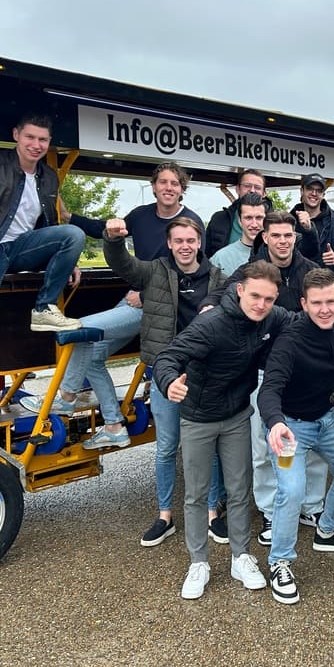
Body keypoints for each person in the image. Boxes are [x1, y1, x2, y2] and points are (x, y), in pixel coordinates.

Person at [21, 161, 205, 450]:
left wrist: (146, 296)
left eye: (175, 183)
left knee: (82, 329)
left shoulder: (190, 222)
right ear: (154, 186)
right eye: (163, 182)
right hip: (134, 299)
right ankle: (114, 426)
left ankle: (66, 397)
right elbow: (105, 230)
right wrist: (70, 217)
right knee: (91, 353)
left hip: (158, 308)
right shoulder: (141, 215)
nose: (168, 188)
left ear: (182, 189)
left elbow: (190, 273)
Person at [0, 113, 86, 450]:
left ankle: (43, 308)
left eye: (43, 140)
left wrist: (67, 263)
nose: (37, 146)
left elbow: (49, 224)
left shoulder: (49, 176)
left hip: (18, 250)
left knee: (73, 234)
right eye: (31, 138)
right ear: (16, 135)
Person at [153, 260, 294, 599]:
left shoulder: (270, 316)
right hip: (199, 416)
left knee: (239, 489)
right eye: (255, 296)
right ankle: (198, 562)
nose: (261, 305)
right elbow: (167, 357)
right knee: (197, 493)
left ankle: (240, 556)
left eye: (269, 299)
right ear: (240, 290)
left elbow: (299, 321)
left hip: (236, 414)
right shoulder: (211, 323)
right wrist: (169, 382)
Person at [101, 215, 226, 547]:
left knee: (208, 447)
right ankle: (165, 515)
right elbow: (123, 265)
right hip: (164, 372)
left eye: (191, 241)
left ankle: (213, 513)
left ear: (199, 242)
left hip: (203, 374)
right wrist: (113, 241)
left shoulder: (215, 277)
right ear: (170, 244)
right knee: (167, 446)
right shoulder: (154, 271)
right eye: (179, 241)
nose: (185, 247)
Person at [205, 211, 327, 549]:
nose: (283, 241)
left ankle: (310, 506)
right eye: (276, 236)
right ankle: (272, 510)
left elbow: (328, 304)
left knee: (310, 443)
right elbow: (224, 294)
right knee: (264, 446)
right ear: (266, 238)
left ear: (295, 237)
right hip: (263, 366)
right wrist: (208, 305)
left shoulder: (309, 270)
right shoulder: (252, 270)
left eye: (289, 235)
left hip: (305, 368)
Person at [258, 269, 334, 604]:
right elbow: (269, 387)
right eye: (316, 303)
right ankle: (280, 562)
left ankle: (328, 530)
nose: (324, 309)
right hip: (289, 424)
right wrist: (274, 422)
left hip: (325, 418)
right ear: (303, 303)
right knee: (291, 490)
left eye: (331, 301)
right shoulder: (290, 339)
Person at [293, 173, 334, 273]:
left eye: (319, 190)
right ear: (301, 191)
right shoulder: (290, 222)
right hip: (296, 282)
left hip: (325, 283)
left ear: (323, 195)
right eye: (310, 189)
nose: (314, 193)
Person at [205, 169, 270, 259]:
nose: (252, 190)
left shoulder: (275, 223)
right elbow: (206, 254)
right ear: (238, 189)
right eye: (247, 186)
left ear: (264, 193)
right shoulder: (219, 219)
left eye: (257, 187)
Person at [210, 192, 266, 275]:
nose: (254, 224)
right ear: (239, 221)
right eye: (248, 218)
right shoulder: (220, 259)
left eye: (259, 218)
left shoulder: (277, 254)